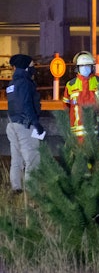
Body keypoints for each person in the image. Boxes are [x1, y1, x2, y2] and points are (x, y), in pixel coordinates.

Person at [5, 54, 45, 193]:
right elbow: (27, 104)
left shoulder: (12, 84)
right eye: (32, 66)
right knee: (32, 157)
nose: (34, 69)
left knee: (16, 158)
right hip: (25, 124)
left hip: (12, 124)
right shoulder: (25, 83)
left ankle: (16, 188)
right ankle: (31, 192)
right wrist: (36, 123)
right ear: (26, 68)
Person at [62, 51, 99, 140]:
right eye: (82, 66)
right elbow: (66, 107)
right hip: (77, 132)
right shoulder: (71, 85)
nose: (85, 68)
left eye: (87, 65)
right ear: (77, 68)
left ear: (92, 67)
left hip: (96, 131)